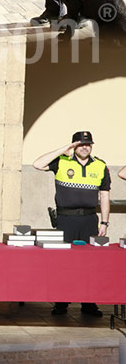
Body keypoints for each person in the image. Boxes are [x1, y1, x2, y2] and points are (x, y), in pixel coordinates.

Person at [33, 129, 110, 317]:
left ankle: (89, 303)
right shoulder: (62, 162)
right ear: (73, 146)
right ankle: (61, 303)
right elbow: (37, 164)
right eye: (80, 144)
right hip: (66, 219)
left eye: (88, 144)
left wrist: (105, 222)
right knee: (63, 263)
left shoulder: (100, 166)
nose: (85, 147)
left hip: (90, 219)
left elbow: (105, 195)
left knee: (90, 264)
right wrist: (63, 149)